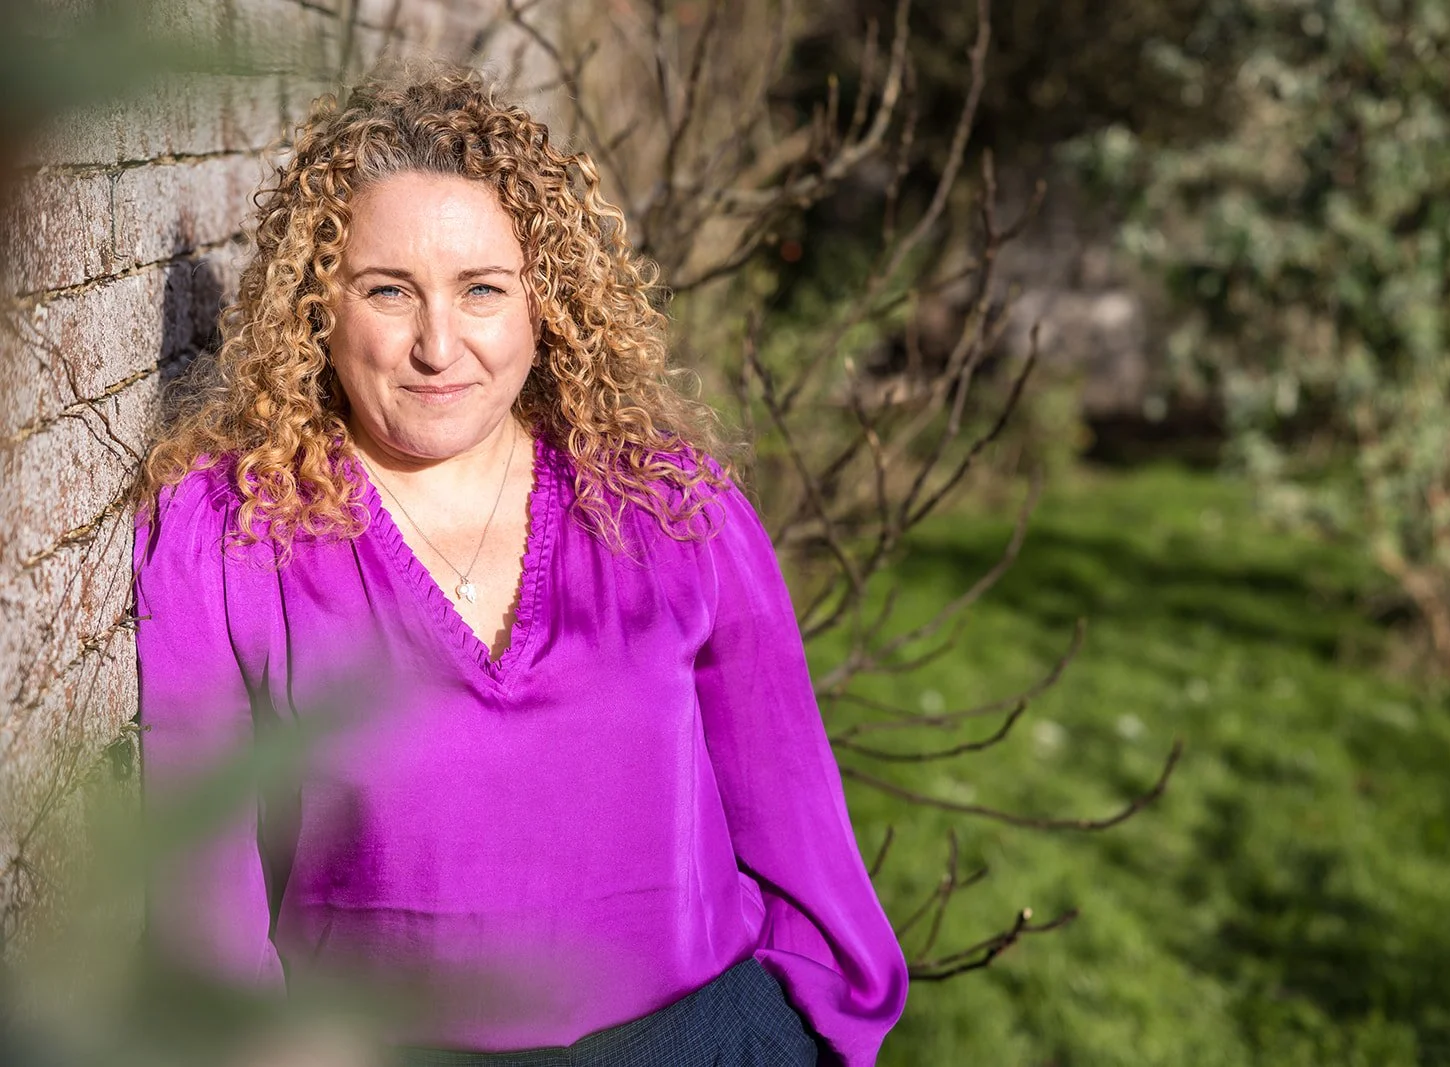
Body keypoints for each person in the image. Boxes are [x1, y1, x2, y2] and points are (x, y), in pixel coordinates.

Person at [130, 67, 908, 1066]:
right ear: (321, 306)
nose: (436, 345)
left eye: (482, 289)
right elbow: (208, 908)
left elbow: (799, 832)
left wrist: (794, 1030)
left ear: (545, 304)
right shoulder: (229, 530)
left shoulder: (675, 513)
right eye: (387, 292)